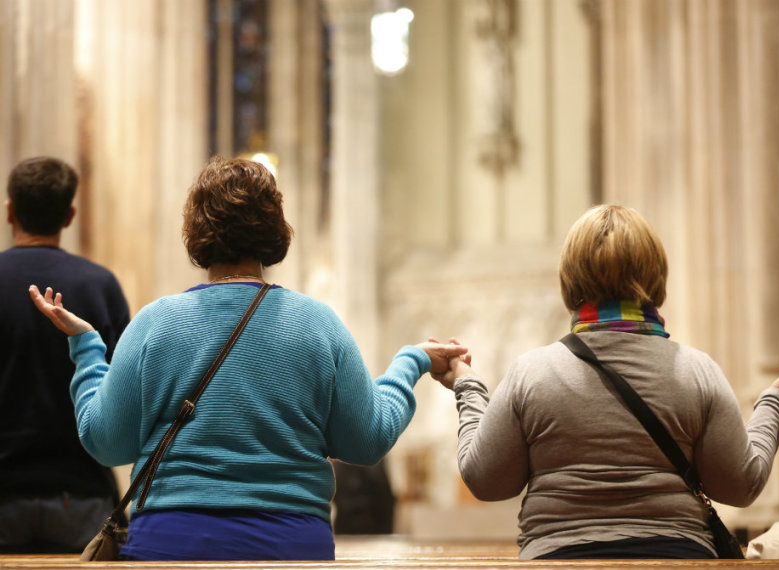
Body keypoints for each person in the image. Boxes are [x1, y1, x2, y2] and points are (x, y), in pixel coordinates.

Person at [29, 156, 468, 561]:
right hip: (290, 547)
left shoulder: (154, 323)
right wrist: (411, 362)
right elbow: (367, 440)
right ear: (275, 230)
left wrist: (87, 348)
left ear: (195, 230)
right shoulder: (318, 323)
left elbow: (105, 442)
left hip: (172, 545)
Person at [430, 204, 779, 560]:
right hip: (678, 557)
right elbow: (741, 487)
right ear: (656, 277)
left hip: (558, 558)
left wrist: (467, 386)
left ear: (569, 278)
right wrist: (774, 401)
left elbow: (486, 481)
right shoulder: (697, 370)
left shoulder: (531, 372)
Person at [0, 157, 131, 553]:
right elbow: (123, 395)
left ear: (10, 211)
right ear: (70, 215)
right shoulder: (100, 285)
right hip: (81, 493)